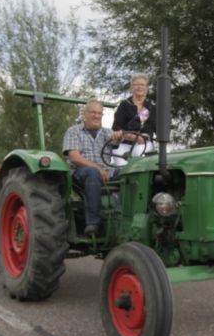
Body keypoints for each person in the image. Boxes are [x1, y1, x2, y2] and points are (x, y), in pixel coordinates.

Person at [62, 98, 123, 236]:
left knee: (129, 172)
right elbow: (74, 157)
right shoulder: (74, 131)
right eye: (93, 112)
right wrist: (98, 169)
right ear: (85, 114)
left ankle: (126, 216)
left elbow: (115, 141)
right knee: (92, 172)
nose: (96, 116)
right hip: (80, 173)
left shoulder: (107, 132)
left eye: (99, 113)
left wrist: (118, 138)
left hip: (107, 172)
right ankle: (93, 224)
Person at [111, 73, 156, 164]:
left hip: (143, 144)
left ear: (147, 88)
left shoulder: (152, 108)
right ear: (132, 87)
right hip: (124, 144)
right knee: (121, 164)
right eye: (136, 84)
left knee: (140, 159)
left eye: (142, 84)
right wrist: (133, 137)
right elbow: (116, 127)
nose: (139, 87)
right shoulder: (124, 105)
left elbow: (158, 129)